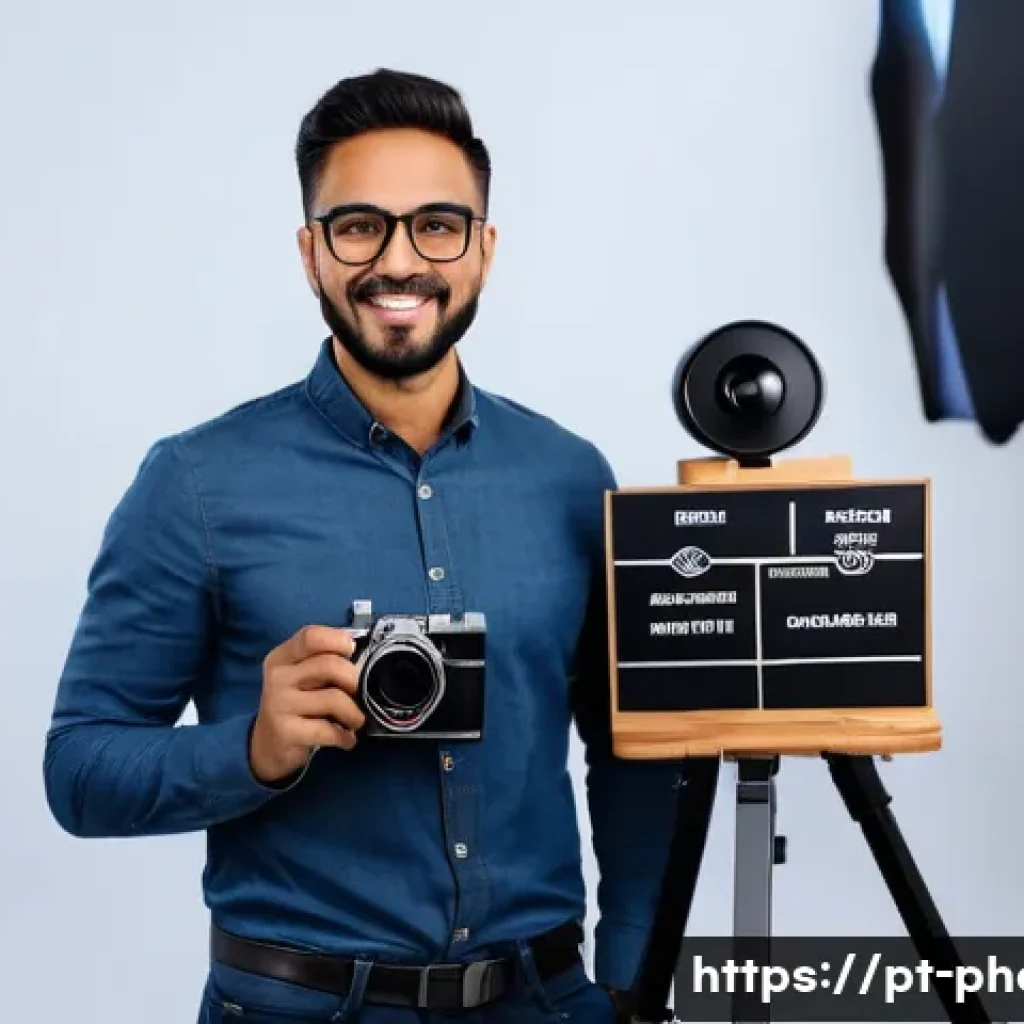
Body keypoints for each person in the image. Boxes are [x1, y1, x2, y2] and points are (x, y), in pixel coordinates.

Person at [43, 68, 682, 1022]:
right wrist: (254, 748)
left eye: (436, 223)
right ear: (310, 251)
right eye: (357, 226)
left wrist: (635, 975)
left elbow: (631, 750)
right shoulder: (193, 484)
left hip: (548, 1000)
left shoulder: (570, 477)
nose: (398, 261)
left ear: (482, 248)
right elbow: (81, 773)